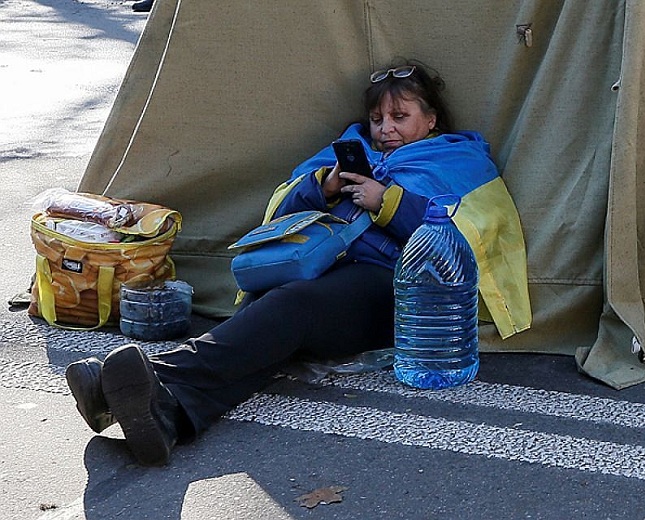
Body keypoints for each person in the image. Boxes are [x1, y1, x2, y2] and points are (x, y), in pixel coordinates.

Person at [65, 60, 529, 466]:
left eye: (400, 116)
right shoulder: (349, 148)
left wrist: (387, 201)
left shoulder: (458, 158)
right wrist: (322, 188)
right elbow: (282, 221)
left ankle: (131, 386)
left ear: (430, 119)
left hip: (393, 287)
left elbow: (458, 240)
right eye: (377, 118)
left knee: (290, 308)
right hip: (319, 268)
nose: (386, 128)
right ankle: (167, 416)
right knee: (265, 321)